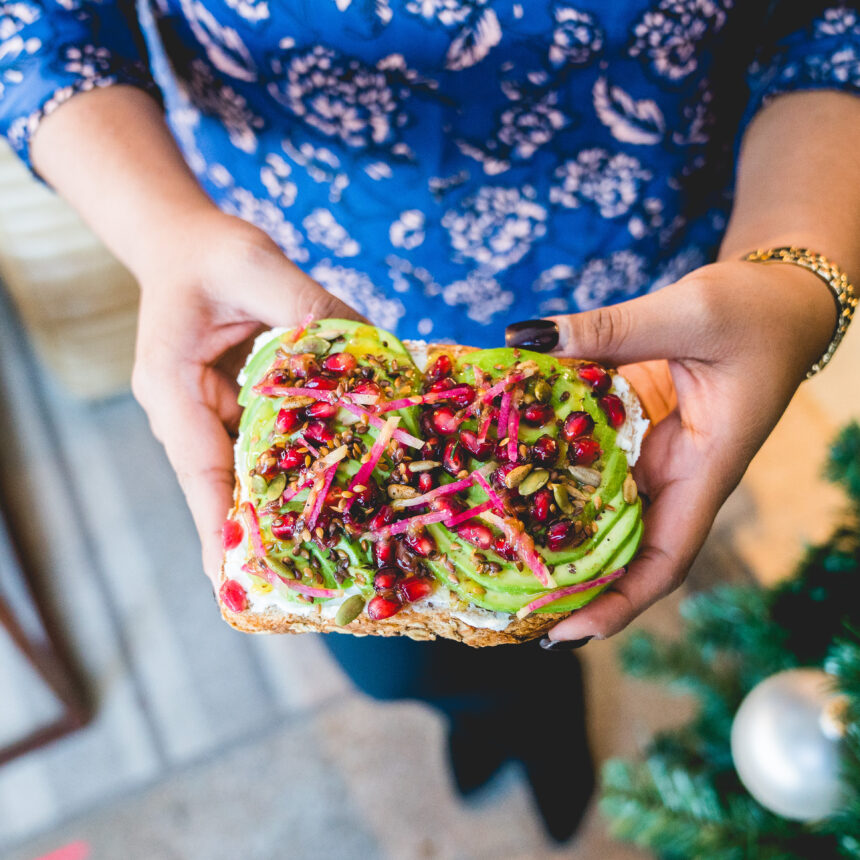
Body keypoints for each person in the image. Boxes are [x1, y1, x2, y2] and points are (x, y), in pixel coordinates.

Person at [2, 0, 858, 841]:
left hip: (642, 312)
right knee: (392, 662)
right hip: (280, 287)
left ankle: (544, 721)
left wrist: (794, 269)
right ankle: (489, 708)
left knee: (565, 601)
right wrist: (163, 234)